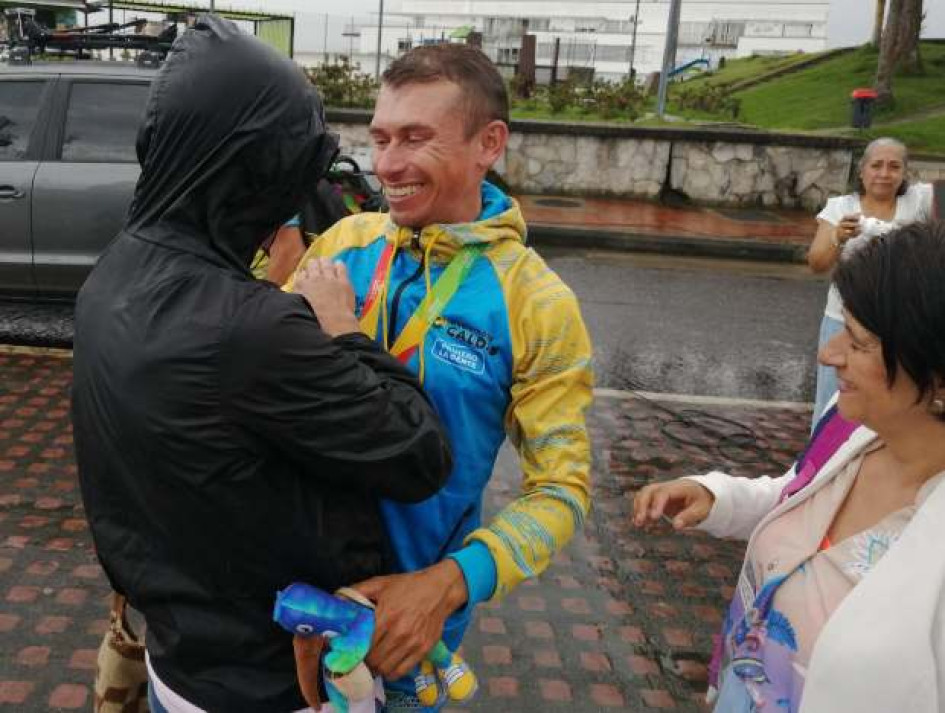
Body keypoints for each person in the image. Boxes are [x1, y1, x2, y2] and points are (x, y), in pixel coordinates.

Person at [70, 16, 452, 713]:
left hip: (180, 662)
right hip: (277, 679)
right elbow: (419, 453)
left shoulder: (113, 276)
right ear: (248, 169)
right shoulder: (247, 328)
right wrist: (340, 328)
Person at [287, 43, 594, 710]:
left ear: (488, 144)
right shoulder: (344, 244)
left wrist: (450, 581)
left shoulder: (535, 301)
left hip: (400, 637)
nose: (388, 164)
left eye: (415, 138)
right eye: (380, 138)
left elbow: (561, 490)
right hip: (285, 604)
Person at [633, 220, 945, 712]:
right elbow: (797, 495)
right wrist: (718, 496)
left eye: (859, 343)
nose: (828, 354)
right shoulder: (852, 430)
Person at [807, 137, 933, 425]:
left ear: (904, 173)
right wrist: (837, 237)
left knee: (894, 402)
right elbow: (816, 262)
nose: (884, 174)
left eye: (894, 167)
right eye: (876, 165)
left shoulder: (919, 201)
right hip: (844, 323)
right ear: (862, 171)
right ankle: (818, 466)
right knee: (833, 403)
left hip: (901, 325)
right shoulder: (840, 207)